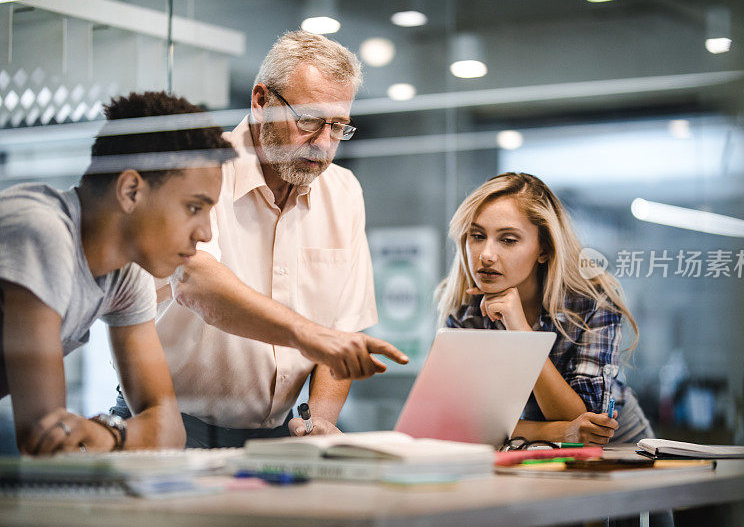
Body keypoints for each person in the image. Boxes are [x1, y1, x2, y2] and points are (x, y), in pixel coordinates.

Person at [111, 31, 408, 448]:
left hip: (277, 436)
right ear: (260, 101)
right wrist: (308, 334)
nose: (323, 143)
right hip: (170, 426)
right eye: (307, 120)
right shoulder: (200, 170)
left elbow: (342, 327)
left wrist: (320, 419)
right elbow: (196, 281)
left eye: (338, 126)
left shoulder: (344, 192)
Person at [0, 91, 237, 454]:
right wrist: (107, 435)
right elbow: (44, 438)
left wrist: (110, 435)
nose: (205, 232)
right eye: (193, 207)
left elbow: (170, 430)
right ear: (130, 191)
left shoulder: (125, 272)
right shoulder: (43, 230)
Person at [438, 172, 653, 445]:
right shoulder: (466, 313)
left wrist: (523, 333)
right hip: (529, 444)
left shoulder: (591, 301)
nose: (486, 255)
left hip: (619, 444)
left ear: (545, 249)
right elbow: (461, 423)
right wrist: (557, 432)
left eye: (508, 240)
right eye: (477, 236)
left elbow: (588, 426)